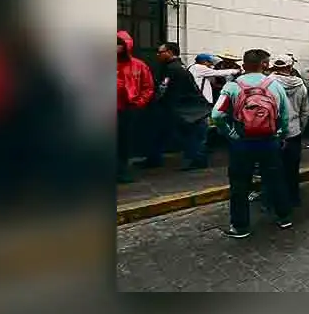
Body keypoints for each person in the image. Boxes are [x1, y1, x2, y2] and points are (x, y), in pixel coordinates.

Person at [211, 49, 293, 237]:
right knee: (275, 179)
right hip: (269, 140)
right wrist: (280, 135)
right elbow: (285, 116)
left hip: (242, 141)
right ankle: (284, 217)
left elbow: (217, 114)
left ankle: (240, 227)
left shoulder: (232, 87)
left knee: (239, 183)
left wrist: (231, 133)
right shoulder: (275, 86)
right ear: (264, 64)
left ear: (244, 64)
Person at [145, 42, 212, 170]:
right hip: (183, 108)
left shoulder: (172, 69)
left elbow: (165, 89)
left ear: (170, 52)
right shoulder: (175, 67)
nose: (158, 55)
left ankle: (197, 160)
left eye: (161, 52)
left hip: (185, 109)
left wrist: (156, 101)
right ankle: (154, 159)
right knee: (169, 134)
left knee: (191, 135)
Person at [268, 54, 309, 207]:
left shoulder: (268, 84)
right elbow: (304, 112)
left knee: (274, 168)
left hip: (274, 133)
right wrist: (301, 128)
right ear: (290, 67)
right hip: (294, 131)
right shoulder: (300, 85)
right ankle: (293, 197)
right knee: (292, 168)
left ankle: (275, 200)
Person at [117, 31, 155, 183]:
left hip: (127, 109)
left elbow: (148, 87)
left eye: (119, 44)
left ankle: (122, 170)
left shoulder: (139, 65)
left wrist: (139, 103)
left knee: (124, 142)